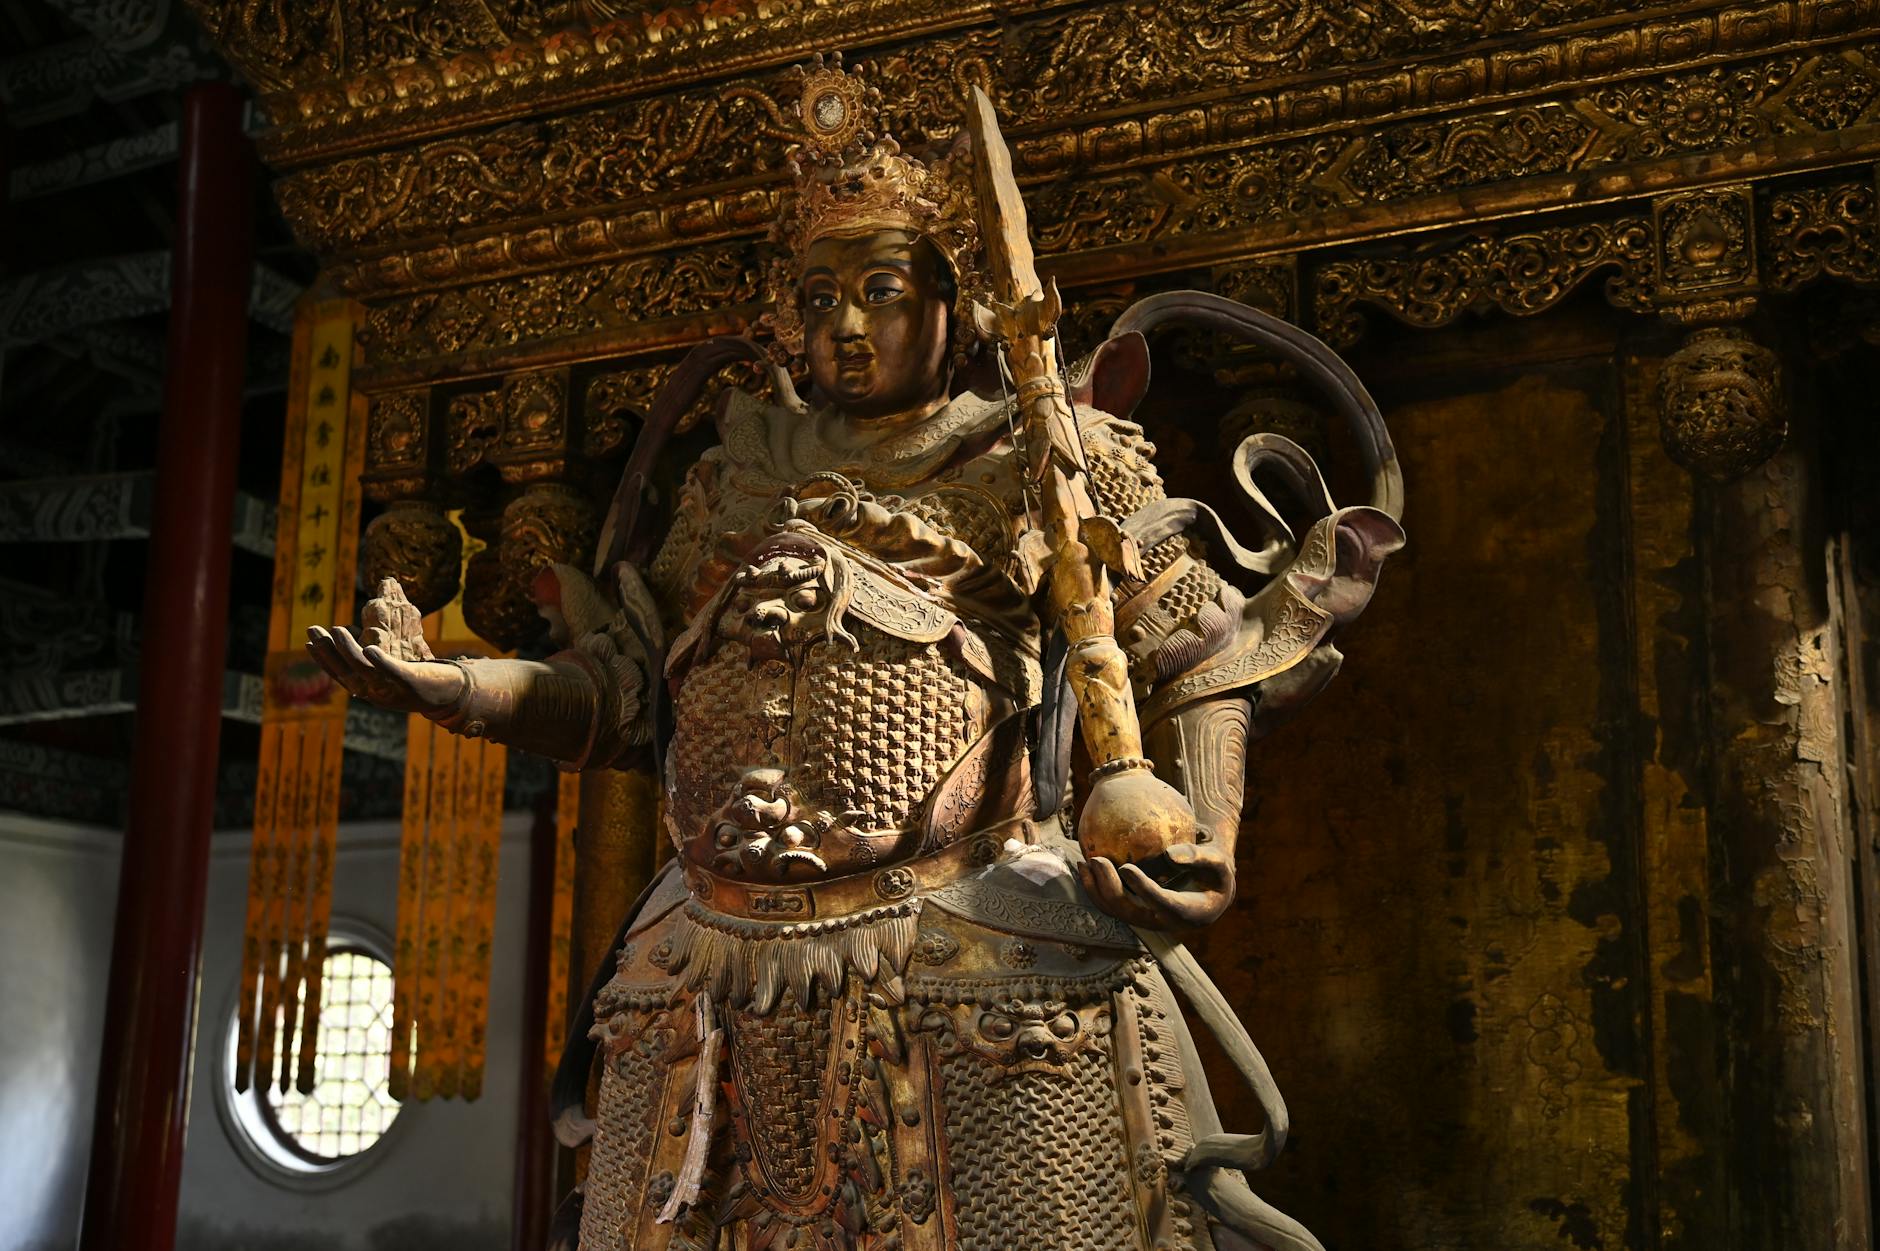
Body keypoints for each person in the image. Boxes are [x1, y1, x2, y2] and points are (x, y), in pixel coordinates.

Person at [308, 59, 1404, 1251]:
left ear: (952, 307)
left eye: (877, 289)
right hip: (702, 964)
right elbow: (619, 697)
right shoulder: (731, 477)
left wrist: (1204, 831)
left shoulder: (1037, 452)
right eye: (816, 294)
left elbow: (1202, 652)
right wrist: (456, 687)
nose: (841, 322)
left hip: (978, 947)